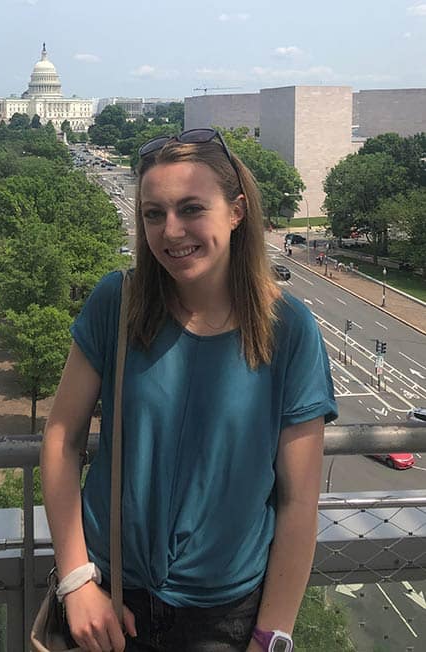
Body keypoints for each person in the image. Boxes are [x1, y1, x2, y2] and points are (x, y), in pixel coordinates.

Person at [41, 128, 338, 652]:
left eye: (191, 208)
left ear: (237, 210)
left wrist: (271, 637)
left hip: (223, 618)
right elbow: (62, 436)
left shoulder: (288, 329)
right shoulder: (118, 302)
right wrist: (77, 581)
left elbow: (298, 501)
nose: (171, 231)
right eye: (154, 214)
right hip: (109, 599)